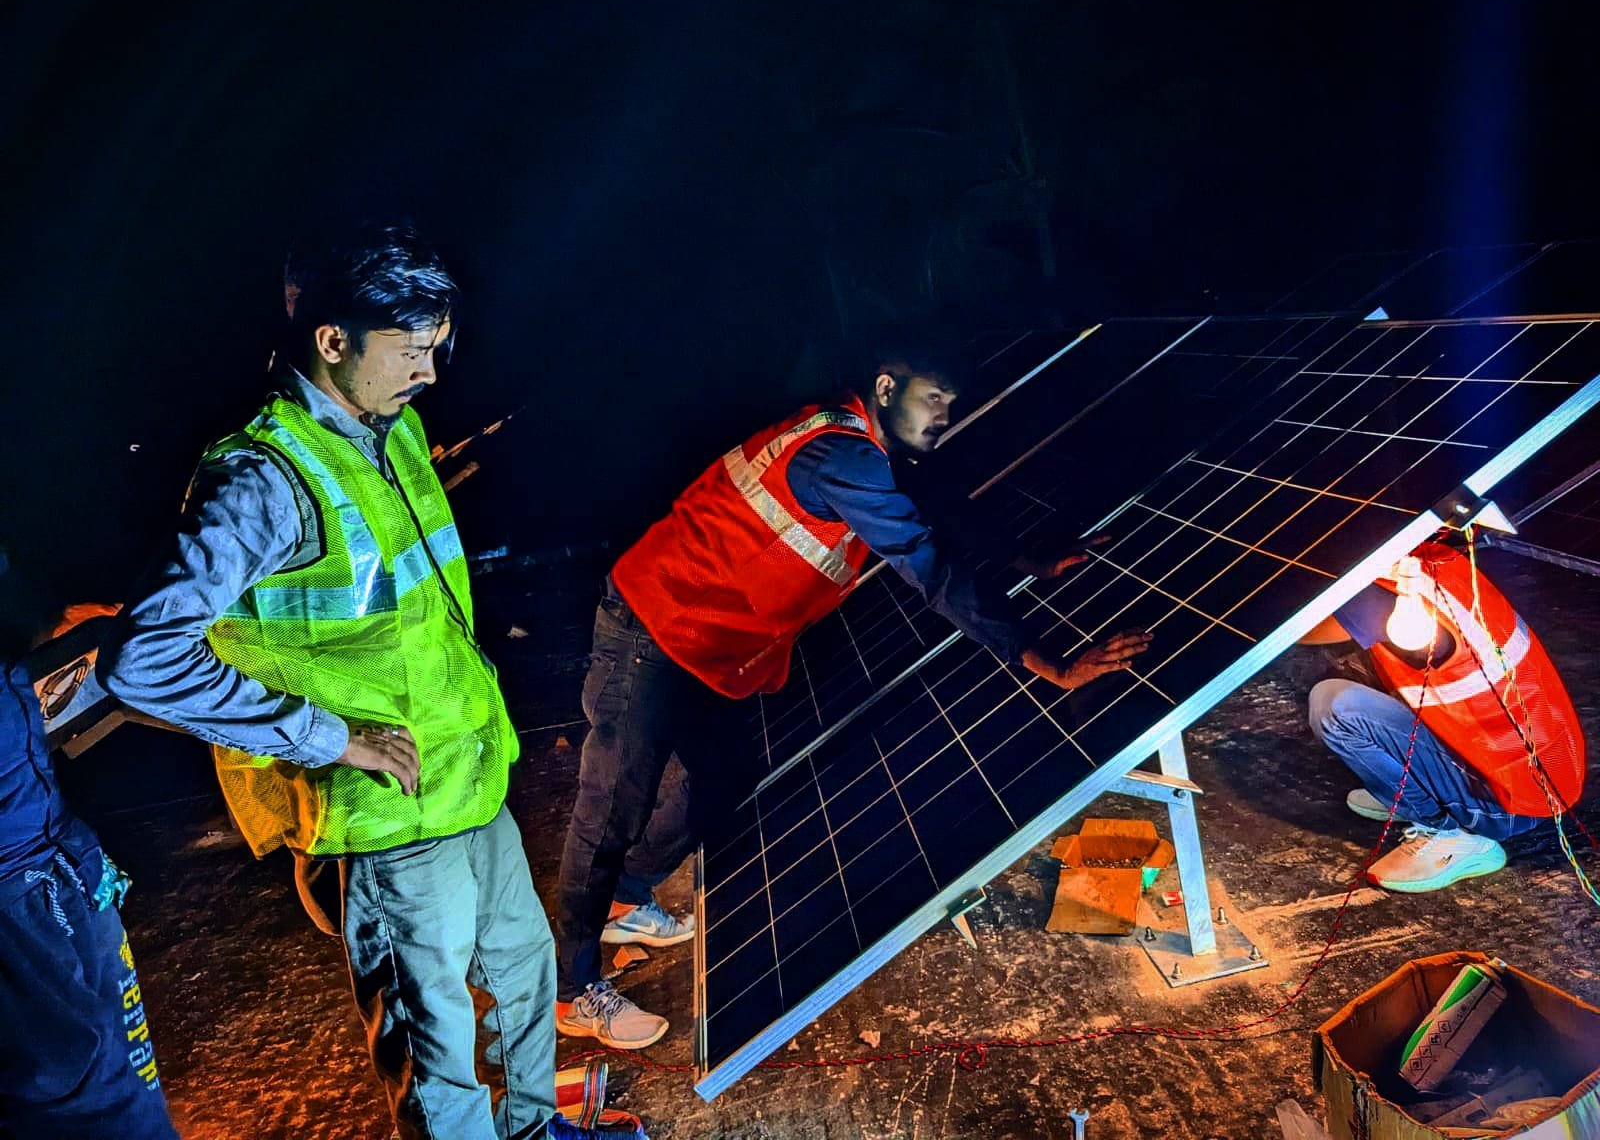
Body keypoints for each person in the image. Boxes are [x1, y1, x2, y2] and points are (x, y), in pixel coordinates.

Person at [101, 224, 598, 1139]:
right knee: (438, 1049)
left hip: (466, 778)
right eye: (411, 350)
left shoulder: (391, 429)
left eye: (435, 348)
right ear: (334, 340)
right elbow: (143, 660)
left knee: (527, 971)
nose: (431, 374)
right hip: (384, 812)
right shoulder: (261, 480)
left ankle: (540, 1129)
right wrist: (328, 740)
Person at [554, 321, 1151, 1048]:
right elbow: (927, 565)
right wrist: (1040, 657)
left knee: (725, 774)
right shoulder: (841, 455)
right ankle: (572, 986)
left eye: (952, 406)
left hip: (704, 636)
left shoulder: (863, 445)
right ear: (886, 388)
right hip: (653, 627)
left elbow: (936, 511)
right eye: (934, 399)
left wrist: (1032, 557)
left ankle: (627, 895)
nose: (943, 417)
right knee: (613, 806)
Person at [0, 557, 178, 1139]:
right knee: (93, 1106)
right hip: (22, 890)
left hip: (53, 858)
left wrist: (53, 624)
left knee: (124, 1077)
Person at [1302, 539, 1586, 893]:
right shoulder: (1431, 559)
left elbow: (1296, 631)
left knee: (1335, 707)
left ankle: (1451, 835)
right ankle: (1408, 791)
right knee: (1358, 667)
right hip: (1535, 773)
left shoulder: (1394, 597)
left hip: (1508, 800)